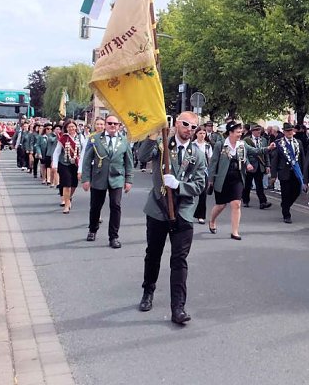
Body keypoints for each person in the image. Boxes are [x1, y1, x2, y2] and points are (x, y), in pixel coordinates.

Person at [137, 111, 208, 325]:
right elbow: (141, 157)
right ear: (177, 123)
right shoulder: (162, 145)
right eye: (186, 124)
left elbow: (199, 184)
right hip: (159, 209)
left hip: (183, 212)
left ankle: (178, 307)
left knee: (179, 260)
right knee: (153, 254)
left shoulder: (198, 153)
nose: (189, 129)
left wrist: (180, 185)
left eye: (194, 127)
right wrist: (152, 135)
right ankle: (148, 291)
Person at [208, 121, 274, 240]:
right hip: (223, 178)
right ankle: (212, 220)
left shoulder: (242, 144)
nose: (240, 133)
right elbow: (213, 163)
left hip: (237, 177)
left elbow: (255, 151)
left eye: (241, 131)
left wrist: (268, 148)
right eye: (238, 132)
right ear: (230, 132)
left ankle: (235, 232)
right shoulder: (220, 144)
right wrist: (210, 180)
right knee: (221, 205)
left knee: (236, 204)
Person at [81, 115, 133, 248]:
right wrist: (85, 179)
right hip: (99, 177)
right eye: (110, 123)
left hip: (117, 178)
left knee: (116, 206)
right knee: (95, 206)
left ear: (119, 126)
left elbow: (129, 162)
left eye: (115, 124)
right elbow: (87, 160)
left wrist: (129, 180)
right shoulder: (95, 139)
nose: (112, 126)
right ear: (105, 124)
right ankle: (93, 229)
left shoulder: (124, 140)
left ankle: (114, 237)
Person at [270, 122, 305, 223]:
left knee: (296, 192)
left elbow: (302, 158)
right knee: (285, 193)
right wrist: (273, 174)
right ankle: (286, 214)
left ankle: (286, 205)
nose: (289, 132)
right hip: (284, 172)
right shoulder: (278, 143)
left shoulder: (298, 142)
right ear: (284, 132)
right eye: (287, 131)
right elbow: (275, 160)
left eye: (291, 130)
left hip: (296, 172)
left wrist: (304, 173)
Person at [52, 120, 81, 213]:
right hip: (64, 163)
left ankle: (69, 197)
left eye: (73, 126)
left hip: (76, 164)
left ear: (76, 127)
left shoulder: (81, 137)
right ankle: (67, 205)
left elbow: (84, 151)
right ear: (66, 128)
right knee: (66, 184)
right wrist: (55, 164)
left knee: (74, 184)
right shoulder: (64, 138)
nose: (71, 128)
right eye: (69, 127)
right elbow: (57, 152)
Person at [242, 124, 272, 210]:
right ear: (252, 131)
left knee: (259, 185)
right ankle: (246, 200)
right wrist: (247, 163)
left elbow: (266, 153)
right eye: (256, 130)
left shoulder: (264, 140)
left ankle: (263, 202)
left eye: (259, 130)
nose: (259, 132)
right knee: (247, 185)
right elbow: (245, 154)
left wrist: (267, 165)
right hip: (250, 165)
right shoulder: (246, 140)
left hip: (260, 165)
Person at [191, 128, 213, 224]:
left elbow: (211, 159)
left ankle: (201, 215)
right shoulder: (192, 145)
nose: (202, 135)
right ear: (196, 134)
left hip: (204, 172)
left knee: (203, 194)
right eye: (200, 133)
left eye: (204, 133)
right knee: (189, 193)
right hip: (192, 171)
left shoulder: (208, 146)